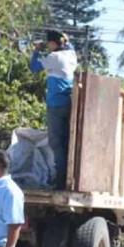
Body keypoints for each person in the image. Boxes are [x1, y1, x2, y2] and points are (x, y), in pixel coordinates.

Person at [29, 29, 78, 190]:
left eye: (48, 42)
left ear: (52, 43)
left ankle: (60, 182)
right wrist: (64, 39)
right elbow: (69, 45)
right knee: (66, 142)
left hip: (56, 105)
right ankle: (67, 178)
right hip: (68, 102)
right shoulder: (71, 55)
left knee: (56, 143)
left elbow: (34, 67)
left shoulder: (54, 57)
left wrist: (36, 50)